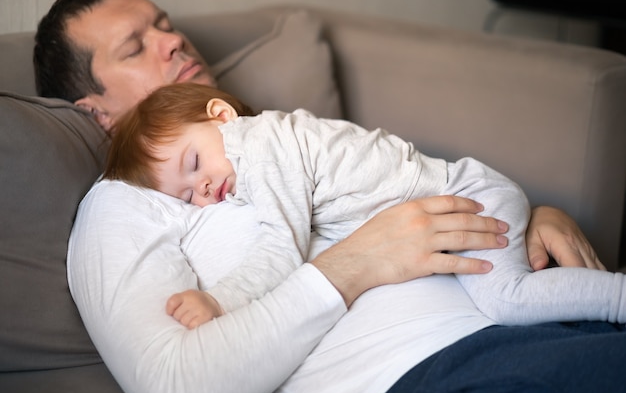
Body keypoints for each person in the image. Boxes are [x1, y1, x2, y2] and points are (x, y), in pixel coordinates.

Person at [36, 0, 624, 393]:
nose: (172, 42)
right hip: (438, 371)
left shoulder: (267, 137)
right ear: (96, 115)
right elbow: (178, 385)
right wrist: (361, 261)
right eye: (134, 48)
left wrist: (531, 217)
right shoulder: (119, 207)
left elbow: (414, 181)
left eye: (164, 24)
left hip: (533, 322)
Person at [103, 83, 626, 329]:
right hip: (457, 200)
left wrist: (220, 301)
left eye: (194, 162)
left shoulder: (258, 145)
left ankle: (618, 299)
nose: (203, 190)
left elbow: (280, 246)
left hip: (471, 197)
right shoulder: (259, 150)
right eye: (185, 193)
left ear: (220, 116)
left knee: (508, 300)